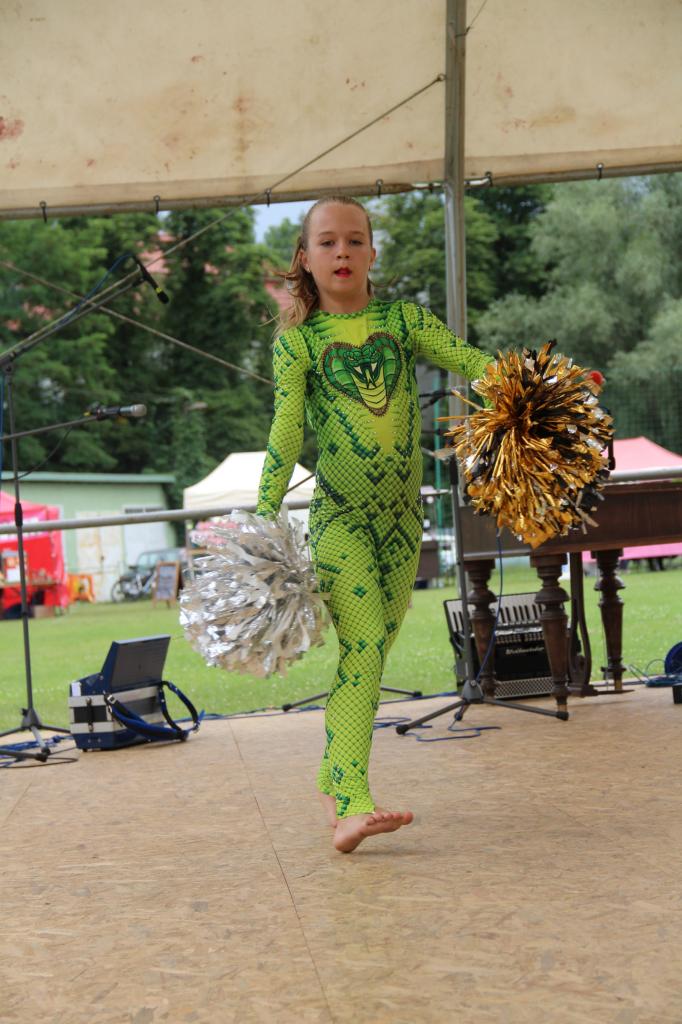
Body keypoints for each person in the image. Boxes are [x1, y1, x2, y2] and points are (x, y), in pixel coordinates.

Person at [256, 196, 493, 852]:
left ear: (372, 254)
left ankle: (332, 781)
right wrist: (263, 521)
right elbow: (286, 431)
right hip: (341, 520)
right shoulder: (299, 344)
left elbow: (473, 362)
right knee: (363, 650)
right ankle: (353, 803)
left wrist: (552, 384)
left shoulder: (403, 320)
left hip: (401, 521)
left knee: (373, 653)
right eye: (327, 242)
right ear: (306, 259)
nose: (342, 252)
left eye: (355, 240)